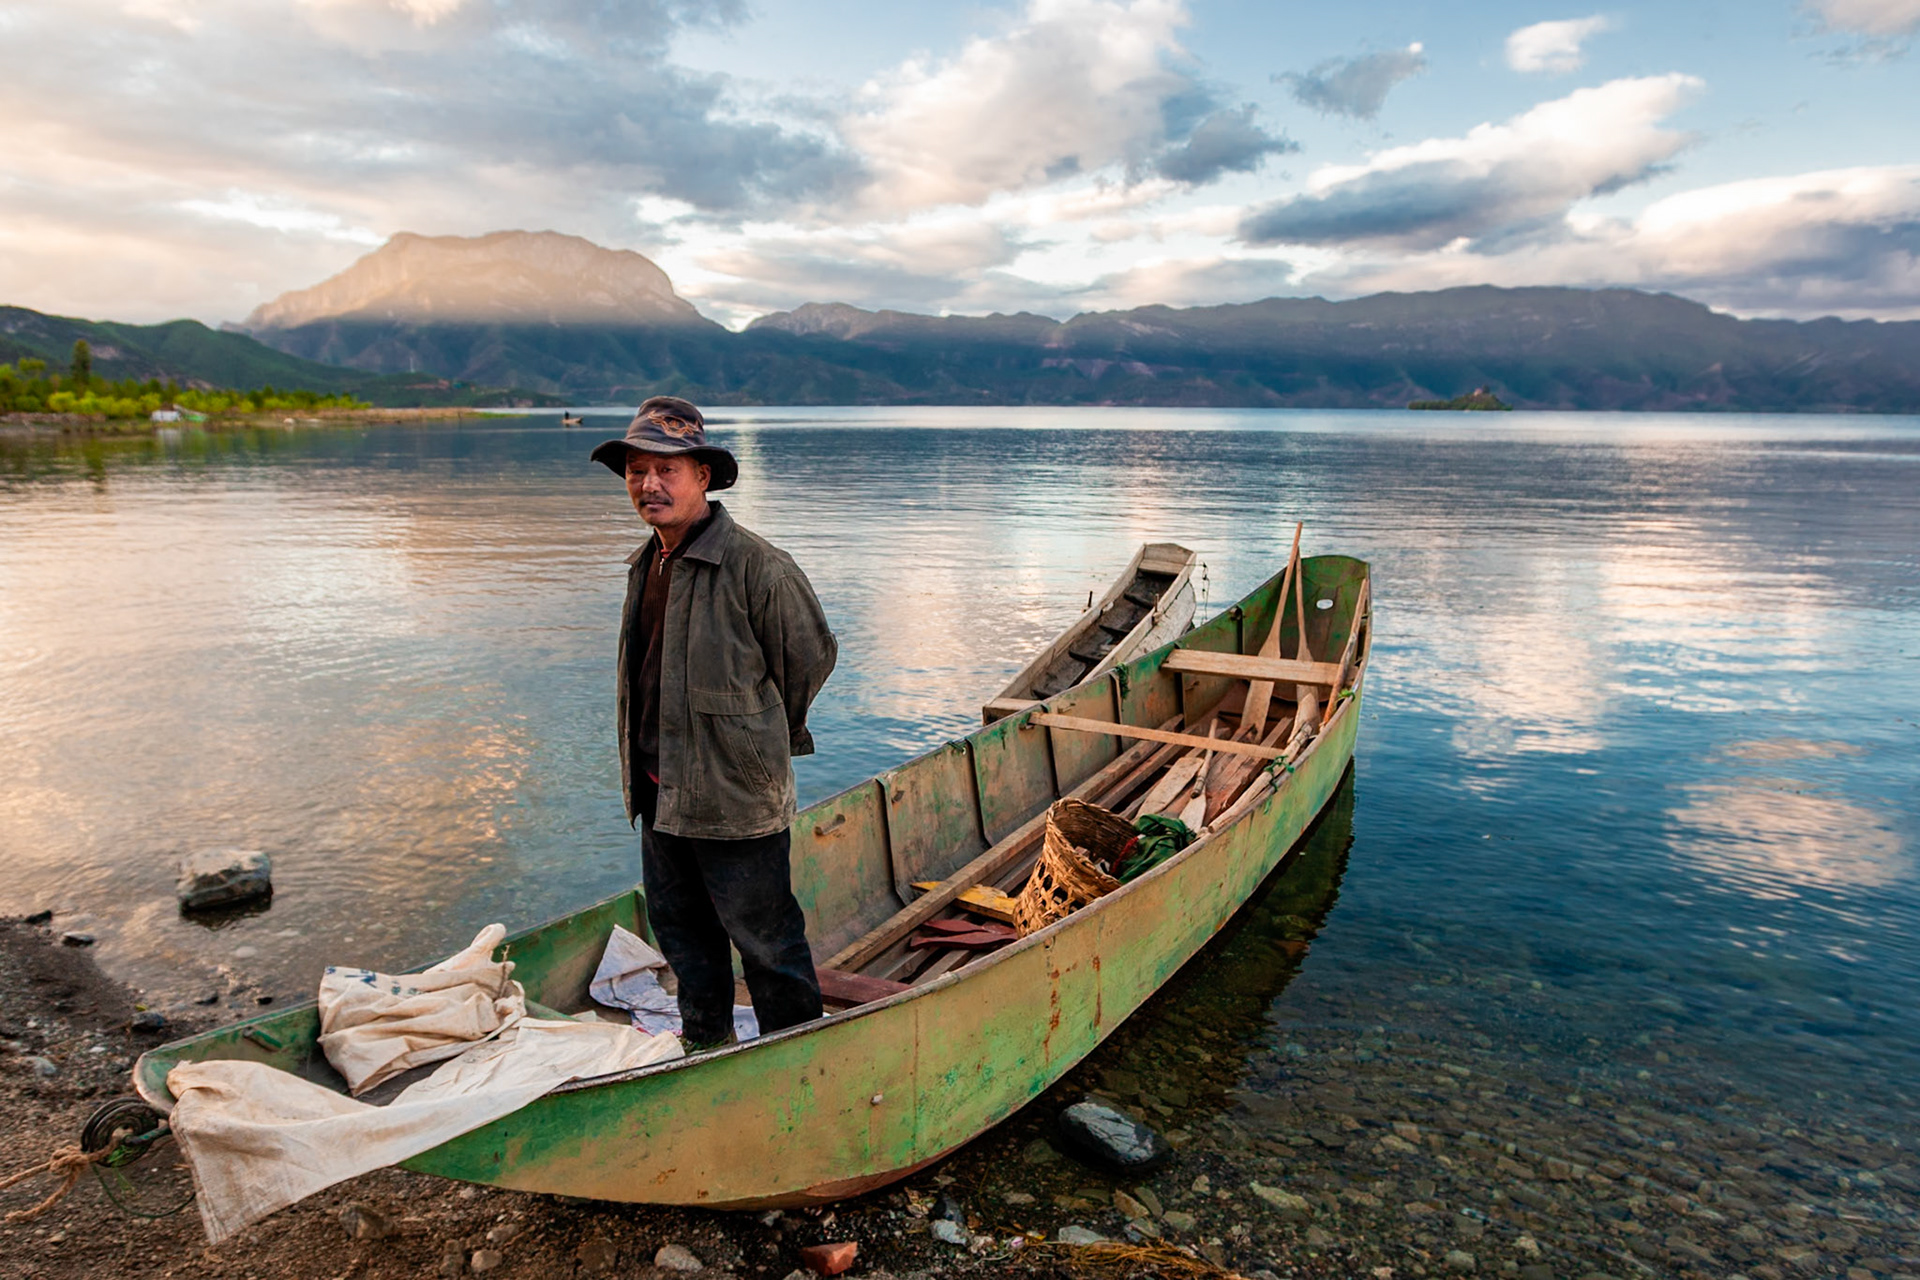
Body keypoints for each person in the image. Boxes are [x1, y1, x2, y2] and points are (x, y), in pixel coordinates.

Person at [590, 396, 838, 1050]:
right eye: (637, 470)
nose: (649, 484)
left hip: (736, 803)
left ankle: (800, 1063)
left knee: (768, 944)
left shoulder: (759, 566)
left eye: (667, 469)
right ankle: (706, 1050)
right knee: (686, 941)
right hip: (659, 793)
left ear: (703, 475)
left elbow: (810, 659)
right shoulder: (647, 563)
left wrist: (746, 747)